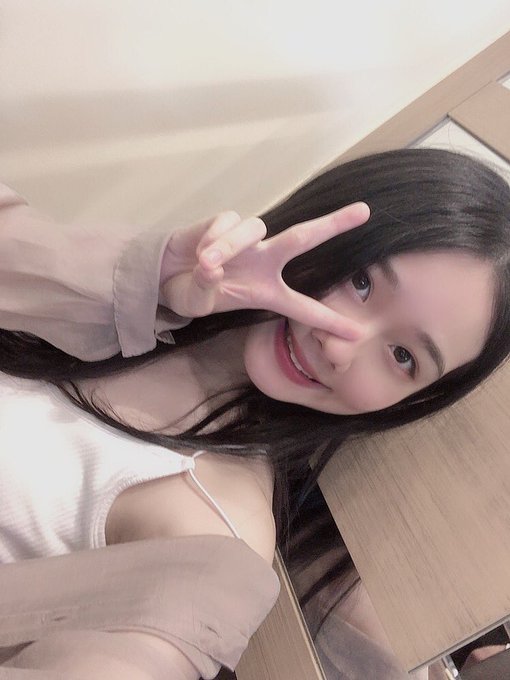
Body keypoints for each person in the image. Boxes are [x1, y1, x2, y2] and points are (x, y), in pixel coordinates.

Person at [0, 147, 509, 679]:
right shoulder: (148, 303)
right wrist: (138, 279)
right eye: (361, 281)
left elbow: (146, 652)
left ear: (411, 402)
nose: (339, 345)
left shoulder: (216, 527)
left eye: (403, 356)